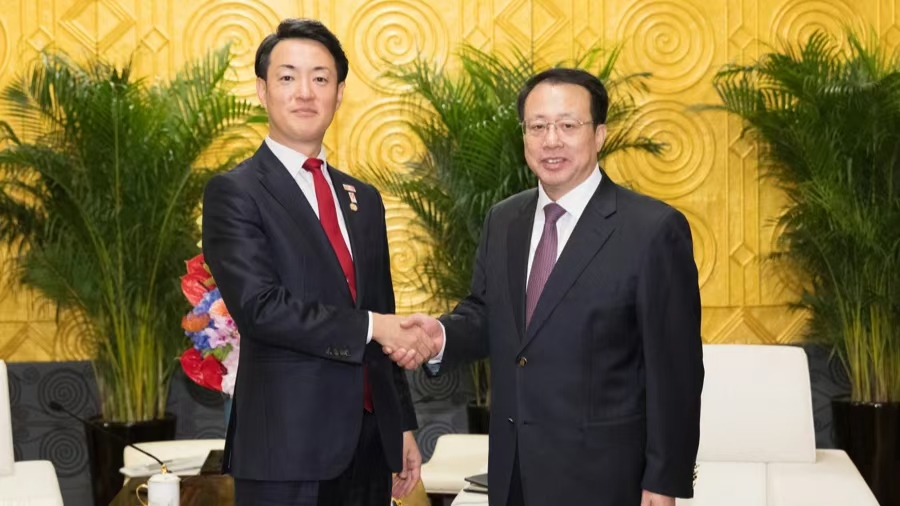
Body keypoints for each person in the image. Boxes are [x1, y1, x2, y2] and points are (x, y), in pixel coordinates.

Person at [392, 68, 704, 506]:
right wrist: (439, 336)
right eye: (537, 126)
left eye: (567, 125)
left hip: (607, 480)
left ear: (599, 134)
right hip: (513, 473)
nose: (551, 140)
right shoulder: (504, 220)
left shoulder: (652, 229)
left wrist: (664, 480)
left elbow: (676, 371)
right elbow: (487, 314)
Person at [202, 18, 435, 506]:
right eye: (288, 77)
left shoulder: (363, 198)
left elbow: (382, 312)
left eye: (321, 78)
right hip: (286, 450)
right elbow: (260, 308)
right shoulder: (236, 192)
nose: (305, 92)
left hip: (371, 448)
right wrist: (373, 327)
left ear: (340, 92)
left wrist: (403, 426)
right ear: (263, 91)